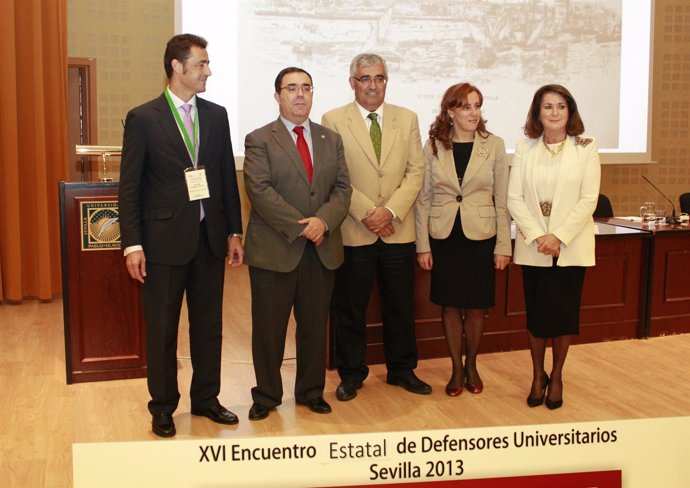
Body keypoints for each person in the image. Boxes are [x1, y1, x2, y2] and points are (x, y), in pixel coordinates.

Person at [118, 34, 244, 438]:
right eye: (202, 64)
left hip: (209, 240)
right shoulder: (143, 118)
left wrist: (234, 231)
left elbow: (225, 177)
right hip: (162, 244)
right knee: (162, 329)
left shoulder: (217, 115)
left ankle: (206, 399)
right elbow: (130, 187)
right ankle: (163, 407)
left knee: (208, 325)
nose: (209, 71)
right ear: (177, 66)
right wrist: (132, 244)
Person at [243, 67, 351, 421]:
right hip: (276, 250)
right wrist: (302, 226)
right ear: (277, 96)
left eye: (306, 88)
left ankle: (310, 392)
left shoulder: (329, 139)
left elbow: (342, 189)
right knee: (269, 330)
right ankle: (267, 395)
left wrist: (324, 221)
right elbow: (259, 190)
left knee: (314, 326)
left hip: (321, 250)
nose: (300, 94)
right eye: (291, 88)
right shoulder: (259, 139)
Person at [322, 53, 430, 402]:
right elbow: (335, 175)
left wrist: (391, 211)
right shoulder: (333, 120)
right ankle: (352, 373)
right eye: (365, 78)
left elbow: (416, 172)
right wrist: (370, 212)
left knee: (400, 304)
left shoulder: (407, 118)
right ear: (352, 82)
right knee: (350, 307)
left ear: (386, 81)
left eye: (379, 78)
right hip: (356, 229)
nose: (372, 85)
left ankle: (402, 369)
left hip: (398, 229)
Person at [507, 84, 601, 410]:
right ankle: (537, 375)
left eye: (560, 106)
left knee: (563, 316)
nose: (554, 113)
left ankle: (557, 375)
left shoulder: (586, 147)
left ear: (570, 111)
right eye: (547, 107)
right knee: (536, 316)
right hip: (534, 248)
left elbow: (589, 199)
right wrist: (538, 236)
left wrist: (558, 236)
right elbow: (514, 198)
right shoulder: (524, 147)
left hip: (571, 247)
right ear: (537, 113)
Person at [414, 83, 511, 397]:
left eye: (477, 106)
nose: (473, 113)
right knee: (451, 305)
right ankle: (456, 368)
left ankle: (473, 364)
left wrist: (503, 245)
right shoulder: (433, 146)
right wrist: (423, 245)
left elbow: (502, 201)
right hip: (444, 236)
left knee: (476, 305)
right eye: (466, 106)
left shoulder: (494, 145)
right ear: (450, 111)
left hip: (481, 236)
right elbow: (423, 199)